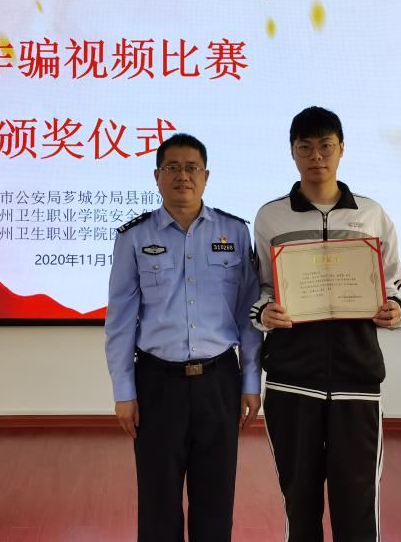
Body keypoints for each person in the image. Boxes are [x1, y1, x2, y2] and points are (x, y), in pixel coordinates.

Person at [251, 106, 401, 542]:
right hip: (291, 381)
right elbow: (262, 287)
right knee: (299, 501)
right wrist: (265, 313)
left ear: (341, 149)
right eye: (305, 147)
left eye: (325, 146)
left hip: (356, 381)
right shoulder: (270, 217)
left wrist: (395, 311)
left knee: (357, 503)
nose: (316, 157)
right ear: (292, 152)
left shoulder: (372, 214)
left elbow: (395, 288)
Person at [105, 133, 263, 542]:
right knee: (158, 502)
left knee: (216, 500)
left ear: (206, 176)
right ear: (157, 176)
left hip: (219, 381)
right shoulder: (134, 237)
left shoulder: (235, 232)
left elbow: (248, 315)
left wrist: (251, 381)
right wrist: (124, 391)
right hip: (157, 384)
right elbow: (120, 320)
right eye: (172, 167)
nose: (183, 176)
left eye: (192, 168)